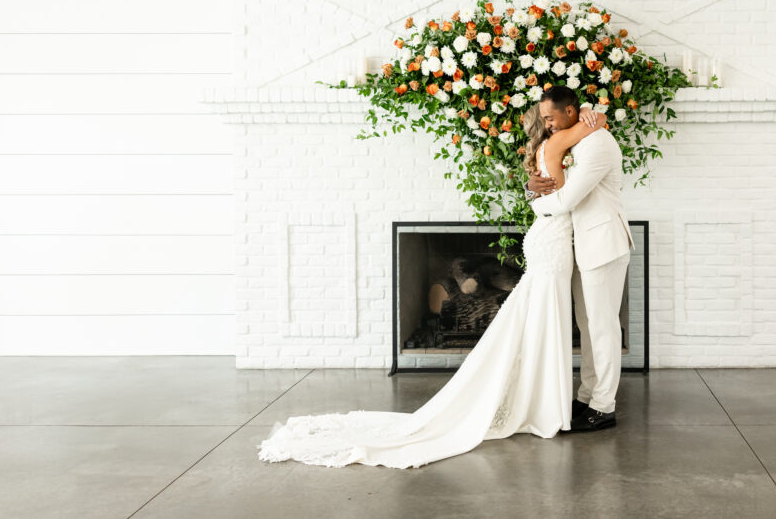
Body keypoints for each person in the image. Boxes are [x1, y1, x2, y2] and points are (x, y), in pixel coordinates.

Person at [256, 103, 607, 469]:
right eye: (548, 119)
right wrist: (592, 114)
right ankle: (545, 405)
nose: (552, 123)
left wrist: (584, 116)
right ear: (549, 123)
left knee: (539, 319)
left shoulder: (548, 148)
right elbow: (591, 131)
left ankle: (542, 398)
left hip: (549, 238)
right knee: (543, 316)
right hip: (552, 239)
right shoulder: (555, 144)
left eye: (553, 118)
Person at [526, 85, 634, 433]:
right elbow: (554, 183)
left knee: (603, 327)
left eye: (551, 117)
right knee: (587, 326)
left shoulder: (598, 144)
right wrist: (532, 188)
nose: (548, 125)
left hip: (603, 244)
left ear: (571, 112)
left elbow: (569, 198)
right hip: (580, 245)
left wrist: (534, 205)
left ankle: (604, 406)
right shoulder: (577, 138)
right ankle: (587, 394)